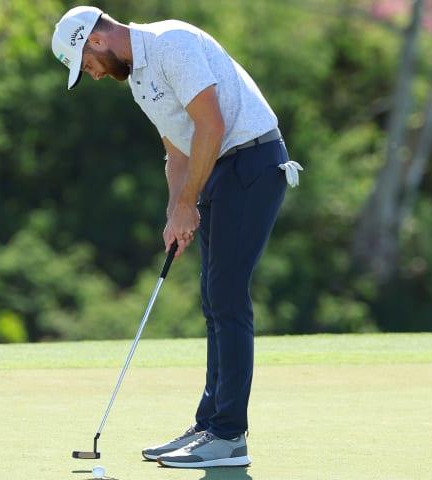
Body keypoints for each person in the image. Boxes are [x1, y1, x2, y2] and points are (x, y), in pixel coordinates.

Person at [51, 6, 302, 469]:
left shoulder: (172, 44)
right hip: (218, 169)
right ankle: (210, 424)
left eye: (86, 64)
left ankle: (229, 436)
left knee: (227, 296)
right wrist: (175, 211)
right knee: (213, 297)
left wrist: (190, 204)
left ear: (98, 40)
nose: (93, 75)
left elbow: (212, 125)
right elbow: (177, 151)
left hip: (253, 160)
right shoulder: (138, 81)